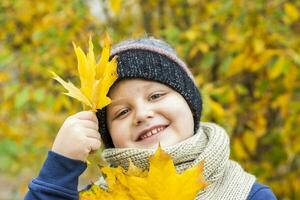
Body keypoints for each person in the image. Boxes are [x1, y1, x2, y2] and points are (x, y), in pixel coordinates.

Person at [25, 38, 277, 200]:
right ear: (108, 137)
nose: (143, 114)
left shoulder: (248, 194)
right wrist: (58, 170)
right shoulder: (102, 196)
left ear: (190, 103)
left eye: (156, 95)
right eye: (122, 112)